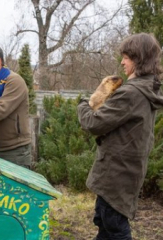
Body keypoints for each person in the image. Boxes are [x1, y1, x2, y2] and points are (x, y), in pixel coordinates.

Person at [77, 32, 163, 239]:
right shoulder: (147, 90)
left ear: (138, 59)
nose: (122, 62)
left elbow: (93, 123)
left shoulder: (131, 93)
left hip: (115, 176)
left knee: (114, 226)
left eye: (126, 57)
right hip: (126, 172)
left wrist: (85, 103)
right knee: (106, 226)